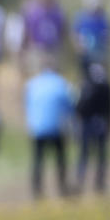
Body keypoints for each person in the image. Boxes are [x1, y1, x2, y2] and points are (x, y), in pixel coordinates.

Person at [25, 58, 74, 199]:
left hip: (37, 127)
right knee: (60, 159)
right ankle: (62, 187)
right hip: (56, 127)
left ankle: (37, 189)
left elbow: (28, 105)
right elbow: (69, 106)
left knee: (38, 160)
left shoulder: (32, 84)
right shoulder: (61, 83)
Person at [74, 62, 110, 195]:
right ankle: (99, 182)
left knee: (85, 153)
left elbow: (79, 108)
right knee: (99, 154)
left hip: (88, 124)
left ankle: (81, 180)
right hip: (100, 123)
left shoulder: (86, 85)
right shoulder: (106, 86)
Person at [72, 0, 110, 75]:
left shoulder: (104, 18)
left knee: (100, 77)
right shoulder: (81, 17)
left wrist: (105, 51)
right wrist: (78, 47)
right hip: (85, 55)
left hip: (100, 54)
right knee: (85, 76)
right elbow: (75, 34)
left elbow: (108, 36)